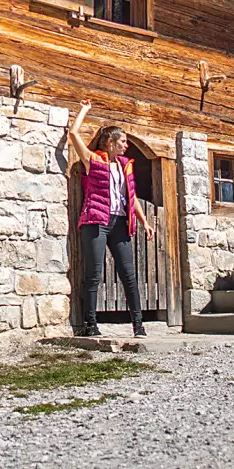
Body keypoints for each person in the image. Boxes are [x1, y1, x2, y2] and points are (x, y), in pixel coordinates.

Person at [68, 100, 155, 338]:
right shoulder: (93, 160)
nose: (126, 146)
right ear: (109, 142)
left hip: (119, 223)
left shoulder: (126, 166)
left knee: (129, 274)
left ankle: (138, 325)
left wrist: (144, 222)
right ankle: (90, 325)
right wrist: (84, 110)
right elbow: (73, 133)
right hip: (96, 221)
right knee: (94, 274)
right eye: (123, 141)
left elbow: (132, 197)